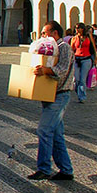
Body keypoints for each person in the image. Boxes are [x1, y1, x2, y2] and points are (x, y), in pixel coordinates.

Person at [28, 20, 75, 181]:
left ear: (55, 33)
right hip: (49, 94)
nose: (43, 36)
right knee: (56, 134)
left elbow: (62, 70)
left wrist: (46, 70)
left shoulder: (64, 48)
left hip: (60, 95)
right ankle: (66, 170)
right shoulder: (49, 50)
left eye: (44, 33)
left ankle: (44, 168)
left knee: (44, 129)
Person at [70, 23, 97, 103]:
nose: (77, 29)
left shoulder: (88, 37)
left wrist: (95, 58)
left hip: (86, 59)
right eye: (76, 28)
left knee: (82, 79)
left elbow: (93, 47)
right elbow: (71, 50)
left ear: (82, 29)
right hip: (77, 59)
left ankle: (82, 97)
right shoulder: (74, 38)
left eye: (78, 28)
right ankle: (78, 92)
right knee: (76, 79)